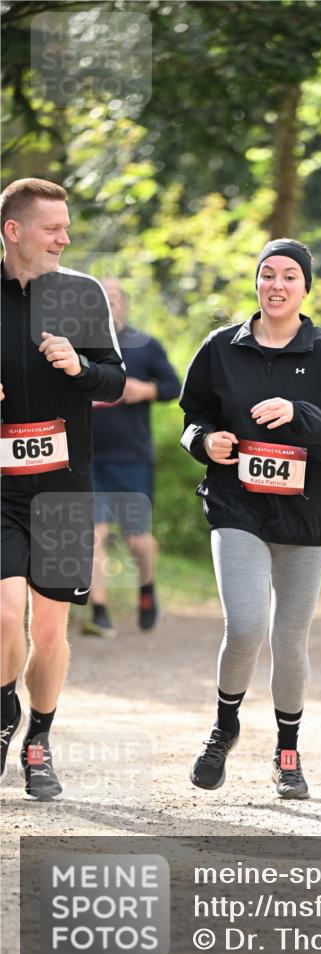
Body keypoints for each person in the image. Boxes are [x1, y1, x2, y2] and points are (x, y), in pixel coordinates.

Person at [180, 238, 321, 799]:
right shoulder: (221, 348)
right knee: (244, 626)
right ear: (257, 283)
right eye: (269, 274)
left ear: (305, 288)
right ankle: (224, 727)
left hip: (306, 513)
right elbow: (193, 415)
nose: (278, 285)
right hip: (237, 505)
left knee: (289, 639)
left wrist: (300, 415)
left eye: (291, 276)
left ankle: (287, 749)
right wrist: (204, 442)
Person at [0, 178, 125, 799]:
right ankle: (3, 712)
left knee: (48, 631)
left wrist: (80, 366)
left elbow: (114, 383)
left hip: (63, 488)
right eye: (53, 228)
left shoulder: (81, 295)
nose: (65, 238)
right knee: (3, 617)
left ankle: (38, 740)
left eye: (67, 228)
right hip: (0, 488)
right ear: (14, 231)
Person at [83, 279, 180, 638]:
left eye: (113, 299)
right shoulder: (77, 346)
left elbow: (175, 387)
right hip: (89, 458)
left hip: (132, 458)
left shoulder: (145, 347)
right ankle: (101, 610)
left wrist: (146, 390)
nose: (108, 305)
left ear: (124, 305)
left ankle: (147, 588)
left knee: (137, 539)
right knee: (93, 535)